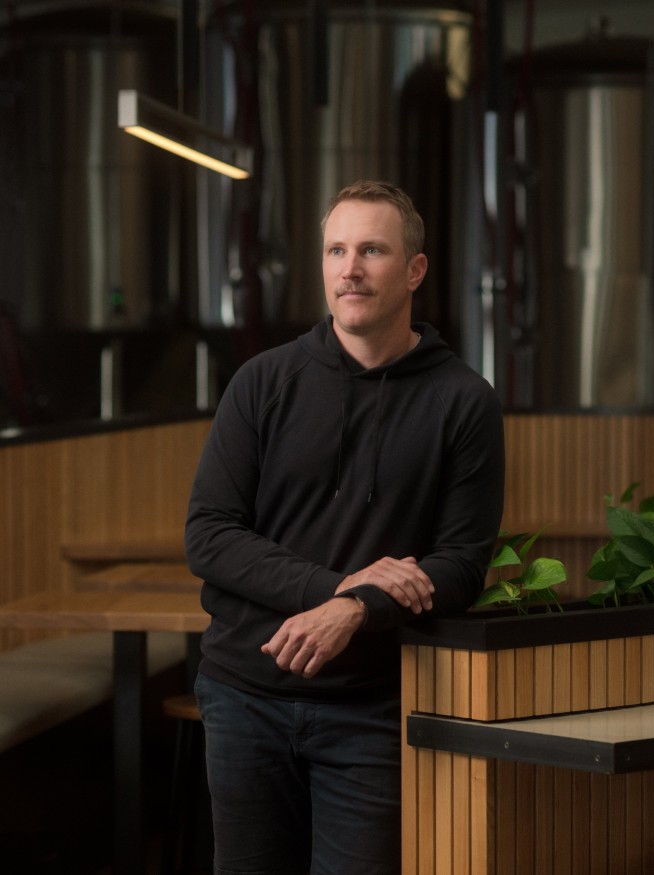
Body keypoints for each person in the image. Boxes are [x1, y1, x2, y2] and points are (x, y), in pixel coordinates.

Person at [185, 180, 505, 875]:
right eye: (336, 249)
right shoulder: (261, 383)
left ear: (414, 270)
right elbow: (209, 533)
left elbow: (461, 563)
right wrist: (338, 589)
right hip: (246, 693)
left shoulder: (464, 402)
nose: (349, 267)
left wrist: (356, 611)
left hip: (373, 709)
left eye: (371, 250)